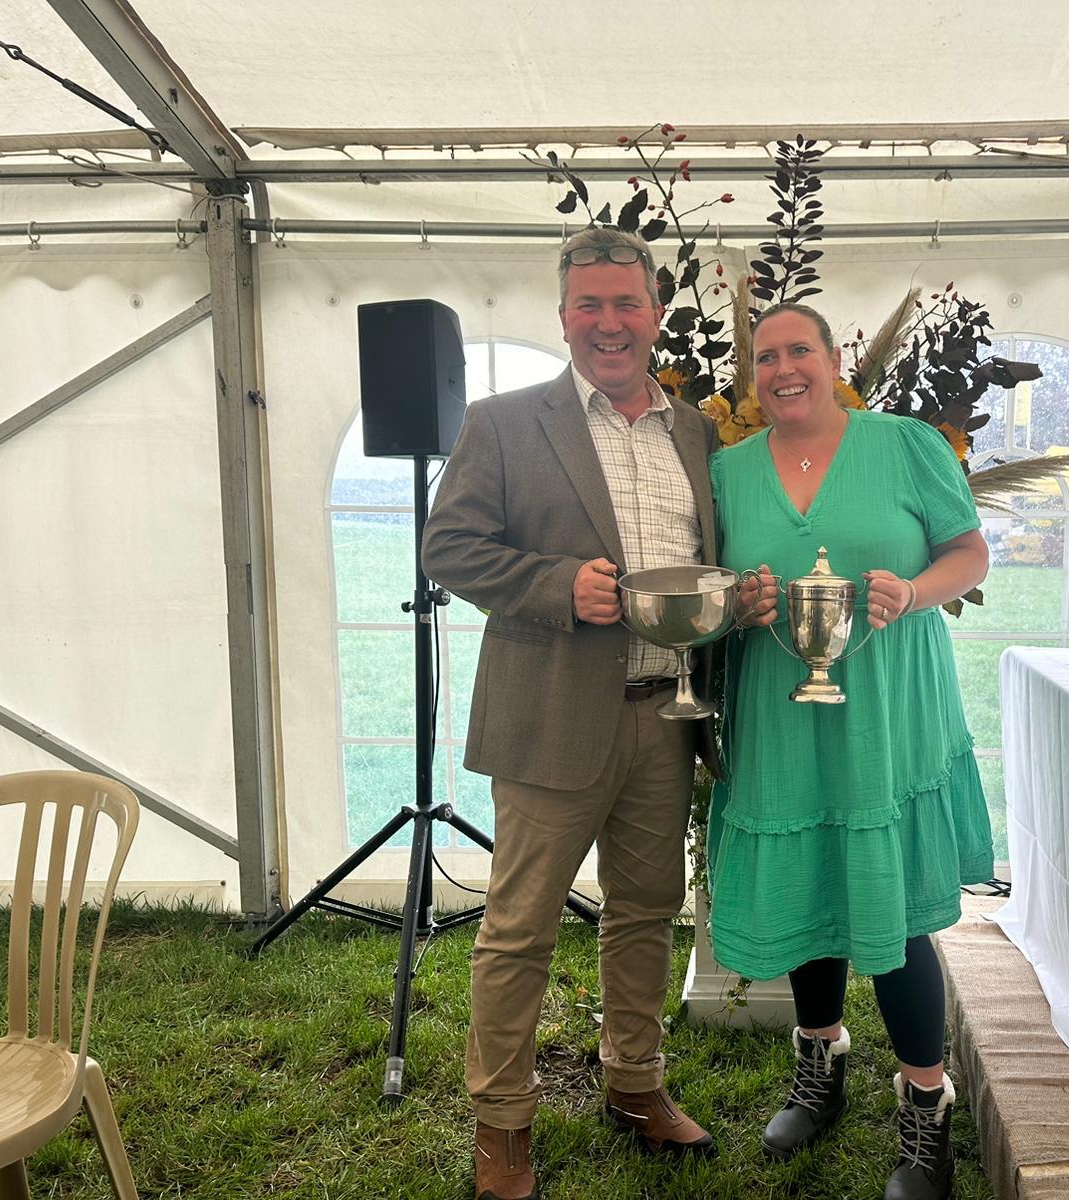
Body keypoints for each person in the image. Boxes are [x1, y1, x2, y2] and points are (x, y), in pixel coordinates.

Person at [423, 226, 722, 1200]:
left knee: (645, 914)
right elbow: (451, 549)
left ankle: (634, 1083)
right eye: (587, 305)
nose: (607, 322)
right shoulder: (504, 424)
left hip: (665, 717)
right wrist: (557, 585)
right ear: (562, 318)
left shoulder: (696, 433)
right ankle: (501, 1125)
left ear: (655, 314)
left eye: (624, 303)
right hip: (552, 718)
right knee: (520, 930)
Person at [709, 302, 995, 1200]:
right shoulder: (725, 470)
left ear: (835, 361)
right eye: (766, 357)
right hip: (782, 712)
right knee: (809, 884)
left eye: (800, 351)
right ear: (752, 376)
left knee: (897, 908)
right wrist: (740, 605)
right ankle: (820, 1063)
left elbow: (971, 552)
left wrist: (911, 591)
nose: (783, 369)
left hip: (887, 710)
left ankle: (926, 1104)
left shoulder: (907, 444)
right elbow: (712, 584)